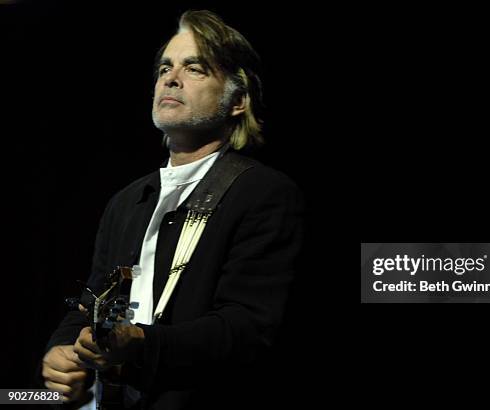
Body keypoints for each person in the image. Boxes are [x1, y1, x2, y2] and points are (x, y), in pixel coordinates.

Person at [40, 9, 303, 409]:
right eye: (166, 67)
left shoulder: (262, 192)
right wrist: (60, 351)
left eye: (195, 68)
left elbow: (248, 328)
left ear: (238, 100)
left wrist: (142, 343)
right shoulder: (126, 201)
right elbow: (90, 302)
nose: (171, 77)